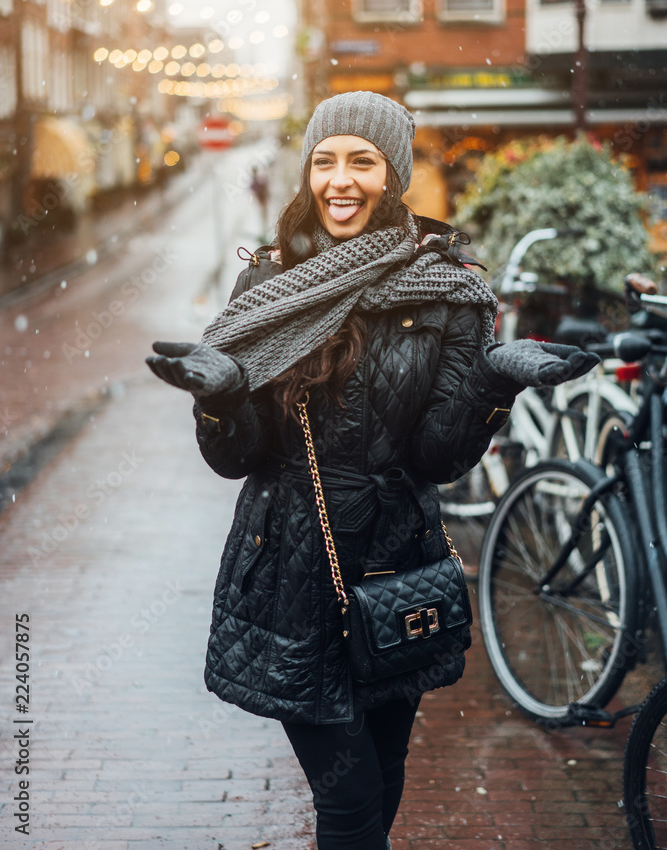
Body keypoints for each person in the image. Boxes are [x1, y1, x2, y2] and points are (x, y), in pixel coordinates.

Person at [145, 91, 598, 850]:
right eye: (324, 161)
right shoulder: (266, 286)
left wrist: (494, 385)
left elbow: (437, 460)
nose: (339, 179)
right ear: (306, 172)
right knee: (348, 802)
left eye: (362, 160)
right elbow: (238, 461)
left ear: (394, 176)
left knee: (383, 780)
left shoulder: (448, 289)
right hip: (289, 578)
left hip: (395, 573)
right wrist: (221, 401)